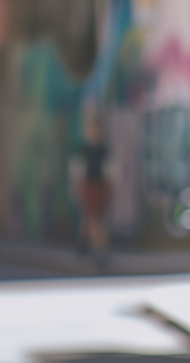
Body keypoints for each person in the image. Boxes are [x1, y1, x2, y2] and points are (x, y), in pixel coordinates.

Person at [78, 107, 111, 267]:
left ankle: (97, 249)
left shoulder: (102, 150)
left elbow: (108, 172)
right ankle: (88, 246)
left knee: (97, 219)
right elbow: (79, 171)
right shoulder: (86, 150)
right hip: (89, 185)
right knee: (90, 218)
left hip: (99, 186)